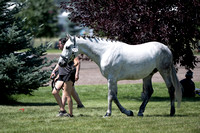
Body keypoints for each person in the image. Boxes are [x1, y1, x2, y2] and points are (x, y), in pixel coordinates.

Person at [50, 38, 84, 117]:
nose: (58, 45)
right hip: (62, 75)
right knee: (54, 92)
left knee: (67, 95)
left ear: (64, 44)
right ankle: (62, 110)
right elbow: (59, 63)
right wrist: (55, 71)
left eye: (60, 44)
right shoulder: (63, 53)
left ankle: (70, 114)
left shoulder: (72, 52)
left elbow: (77, 62)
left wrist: (75, 71)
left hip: (68, 75)